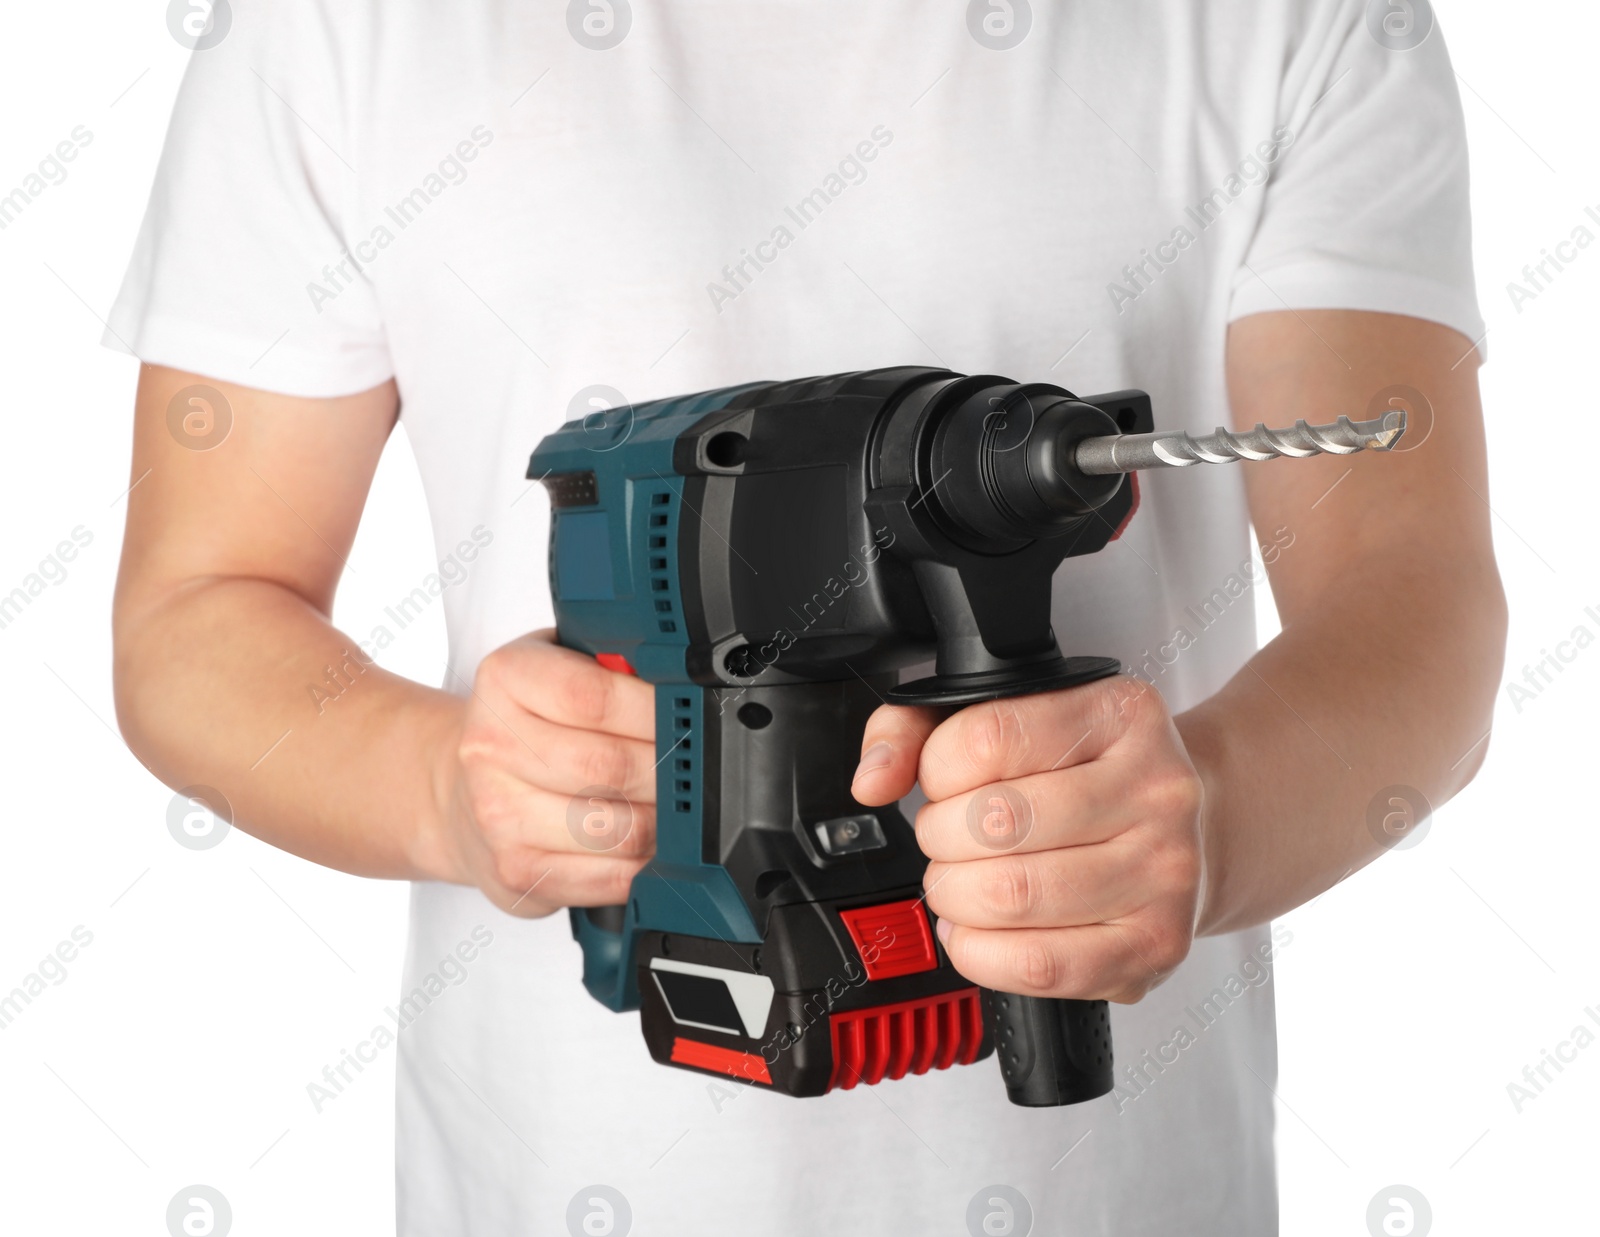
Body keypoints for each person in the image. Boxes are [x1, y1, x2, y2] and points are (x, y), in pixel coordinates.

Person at [108, 1, 1505, 1232]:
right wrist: (444, 788)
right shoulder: (337, 22)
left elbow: (1416, 598)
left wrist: (1206, 818)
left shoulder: (1298, 15)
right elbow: (192, 619)